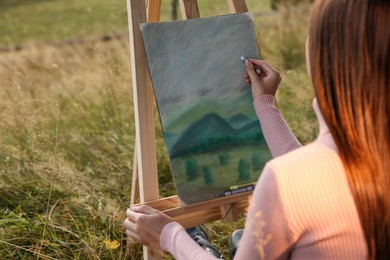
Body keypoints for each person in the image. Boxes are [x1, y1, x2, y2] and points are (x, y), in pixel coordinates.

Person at [123, 0, 390, 258]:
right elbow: (314, 177)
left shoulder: (283, 181)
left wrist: (169, 235)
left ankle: (205, 251)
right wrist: (265, 104)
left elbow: (303, 176)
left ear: (325, 57)